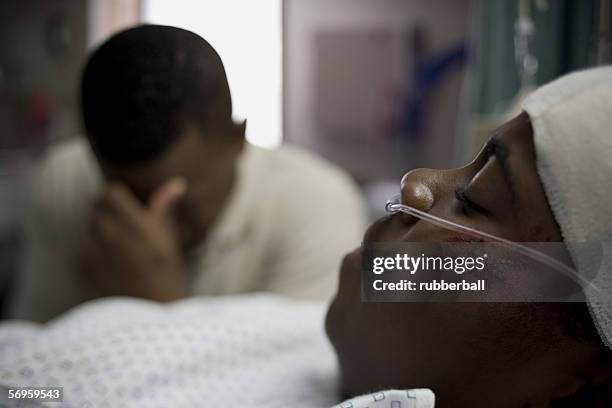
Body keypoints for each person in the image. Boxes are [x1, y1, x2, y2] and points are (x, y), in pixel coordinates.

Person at [1, 67, 611, 407]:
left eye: (476, 198)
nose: (419, 183)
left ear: (572, 384)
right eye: (461, 161)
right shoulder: (285, 326)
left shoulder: (308, 203)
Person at [7, 25, 366, 322]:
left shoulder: (317, 206)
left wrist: (155, 306)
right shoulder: (63, 183)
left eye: (178, 201)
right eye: (129, 198)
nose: (150, 228)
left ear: (235, 141)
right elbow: (33, 373)